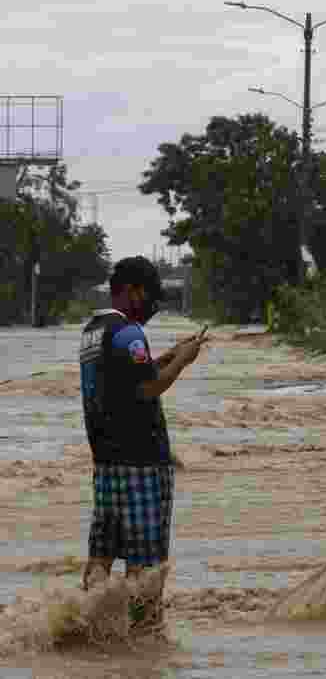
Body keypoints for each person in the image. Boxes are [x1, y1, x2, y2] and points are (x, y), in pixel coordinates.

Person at [78, 256, 209, 626]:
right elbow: (148, 387)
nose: (152, 305)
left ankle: (87, 627)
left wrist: (170, 354)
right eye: (150, 296)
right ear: (133, 291)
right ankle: (145, 640)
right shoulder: (130, 333)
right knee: (146, 566)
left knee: (100, 560)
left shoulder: (93, 330)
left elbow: (125, 379)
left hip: (106, 466)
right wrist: (181, 362)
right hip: (142, 466)